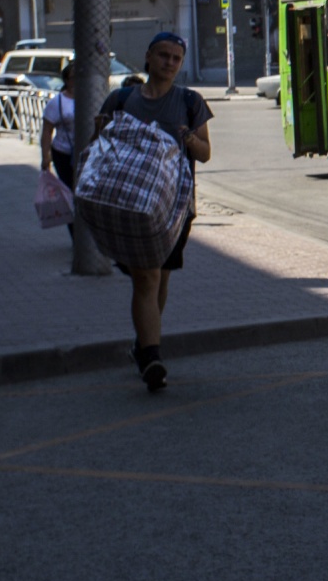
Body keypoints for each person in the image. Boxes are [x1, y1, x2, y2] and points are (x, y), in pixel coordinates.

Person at [92, 33, 211, 393]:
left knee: (159, 278)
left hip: (175, 208)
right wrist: (102, 133)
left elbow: (204, 153)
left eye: (176, 58)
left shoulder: (191, 101)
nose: (170, 63)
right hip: (130, 205)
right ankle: (150, 357)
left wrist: (188, 137)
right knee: (146, 278)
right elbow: (100, 145)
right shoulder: (122, 98)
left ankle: (143, 344)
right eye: (163, 55)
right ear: (148, 57)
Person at [40, 61, 77, 188]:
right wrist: (46, 156)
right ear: (67, 81)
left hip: (86, 152)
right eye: (74, 78)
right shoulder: (57, 102)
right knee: (68, 187)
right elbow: (46, 131)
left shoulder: (89, 99)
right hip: (64, 153)